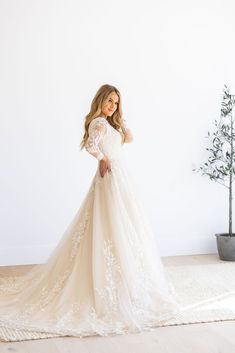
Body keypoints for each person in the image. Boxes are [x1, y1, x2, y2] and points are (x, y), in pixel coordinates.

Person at [0, 84, 181, 342]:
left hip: (120, 177)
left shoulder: (112, 123)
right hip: (109, 176)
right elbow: (90, 145)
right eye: (109, 101)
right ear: (100, 100)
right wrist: (102, 159)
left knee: (126, 223)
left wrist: (121, 120)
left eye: (116, 102)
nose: (112, 106)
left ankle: (128, 280)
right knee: (109, 223)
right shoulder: (98, 123)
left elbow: (130, 138)